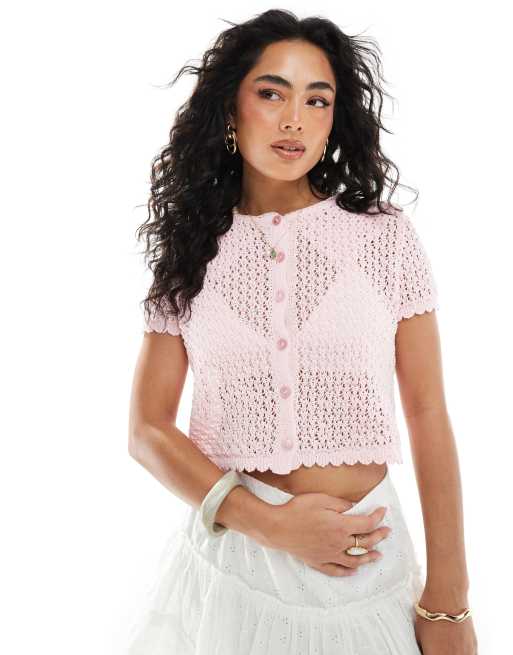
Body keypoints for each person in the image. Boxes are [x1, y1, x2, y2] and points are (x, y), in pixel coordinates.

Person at [125, 9, 477, 655]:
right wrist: (268, 523)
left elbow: (428, 412)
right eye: (271, 93)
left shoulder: (384, 237)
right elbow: (147, 429)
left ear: (333, 121)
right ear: (229, 110)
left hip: (366, 565)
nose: (294, 119)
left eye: (317, 100)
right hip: (233, 570)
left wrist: (449, 598)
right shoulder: (190, 251)